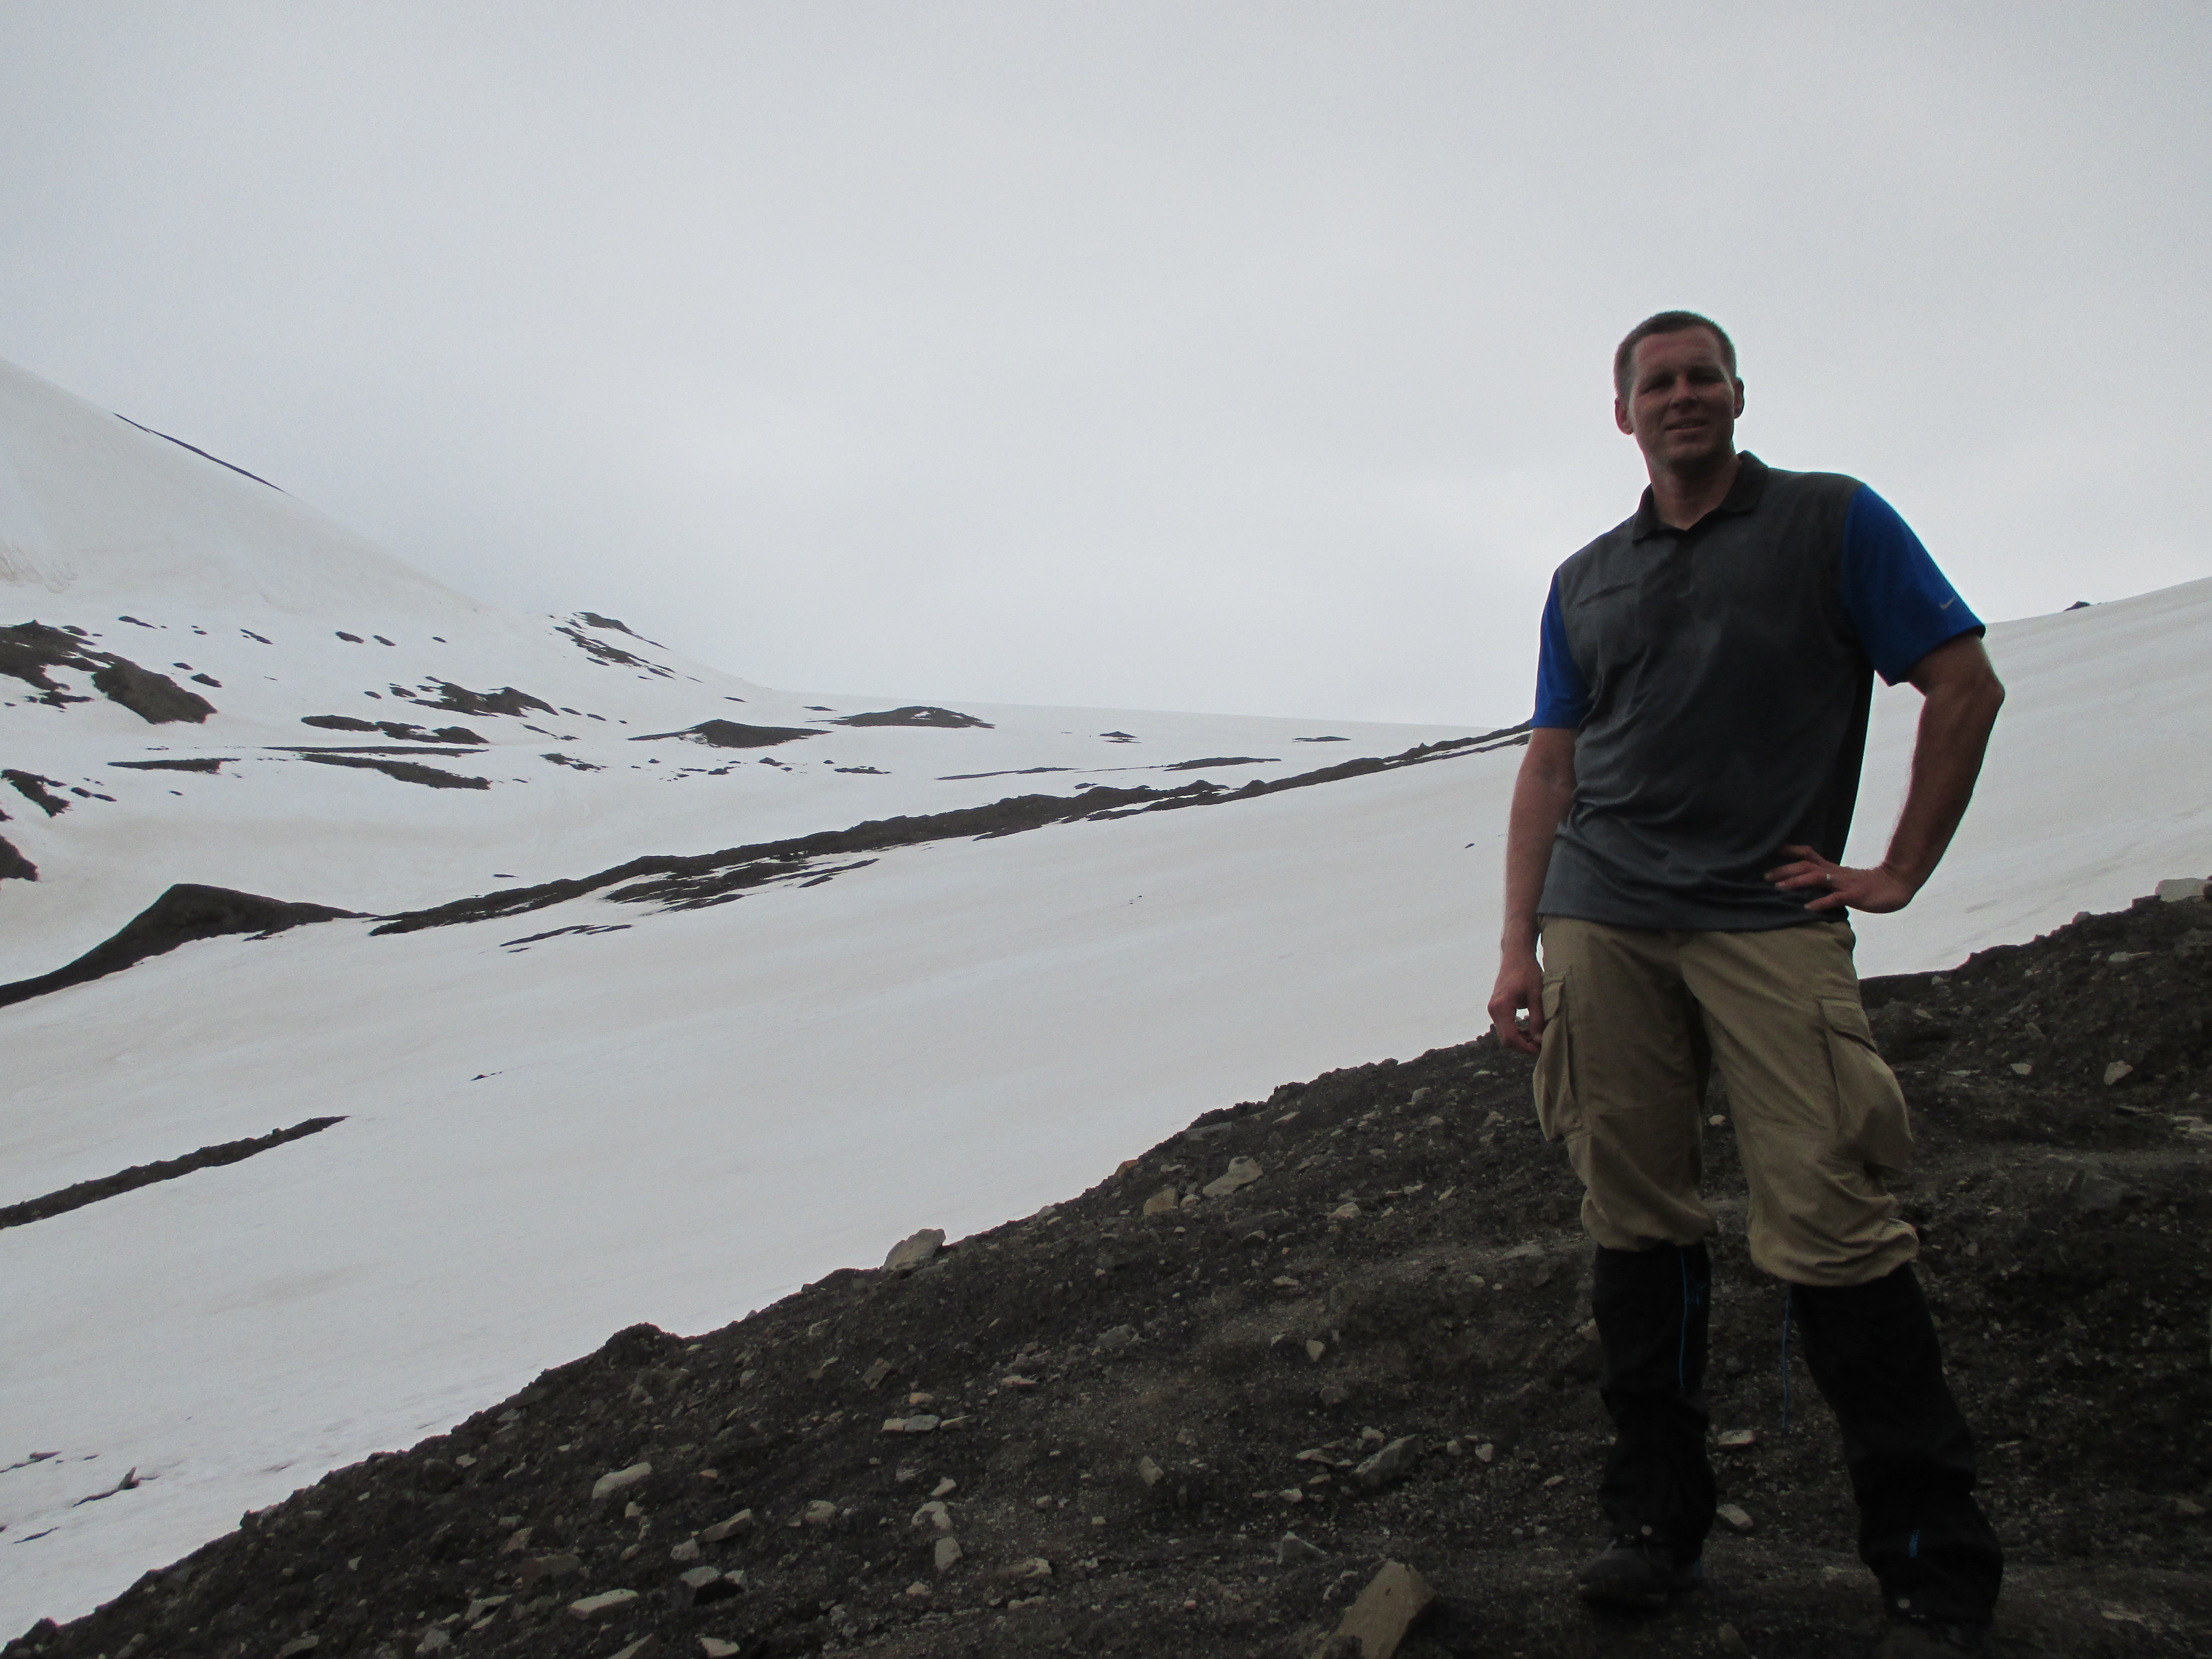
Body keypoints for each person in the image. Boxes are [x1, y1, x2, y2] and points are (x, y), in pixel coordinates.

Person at [1486, 312, 2008, 1658]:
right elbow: (1553, 762)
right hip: (1602, 917)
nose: (1682, 397)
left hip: (1767, 918)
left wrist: (1896, 869)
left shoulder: (1831, 521)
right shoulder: (1586, 578)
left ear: (1736, 393)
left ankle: (1932, 1565)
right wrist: (1518, 943)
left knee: (1834, 1218)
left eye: (1701, 377)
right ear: (1624, 414)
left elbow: (1963, 684)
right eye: (1656, 383)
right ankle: (1655, 1528)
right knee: (1634, 1217)